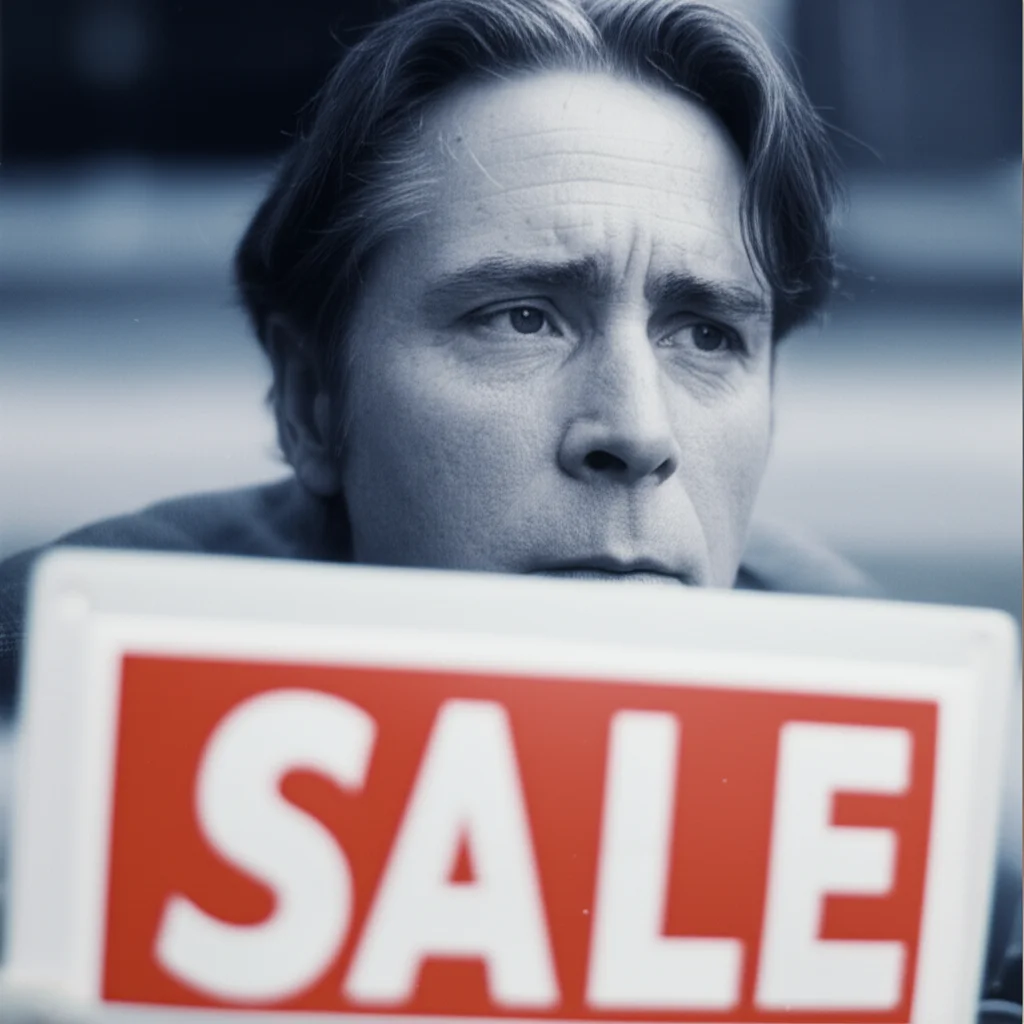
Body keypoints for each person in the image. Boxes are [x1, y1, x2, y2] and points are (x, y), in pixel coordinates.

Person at [0, 0, 1017, 1018]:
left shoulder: (907, 798)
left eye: (705, 334)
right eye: (521, 317)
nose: (636, 428)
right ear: (315, 402)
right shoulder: (48, 708)